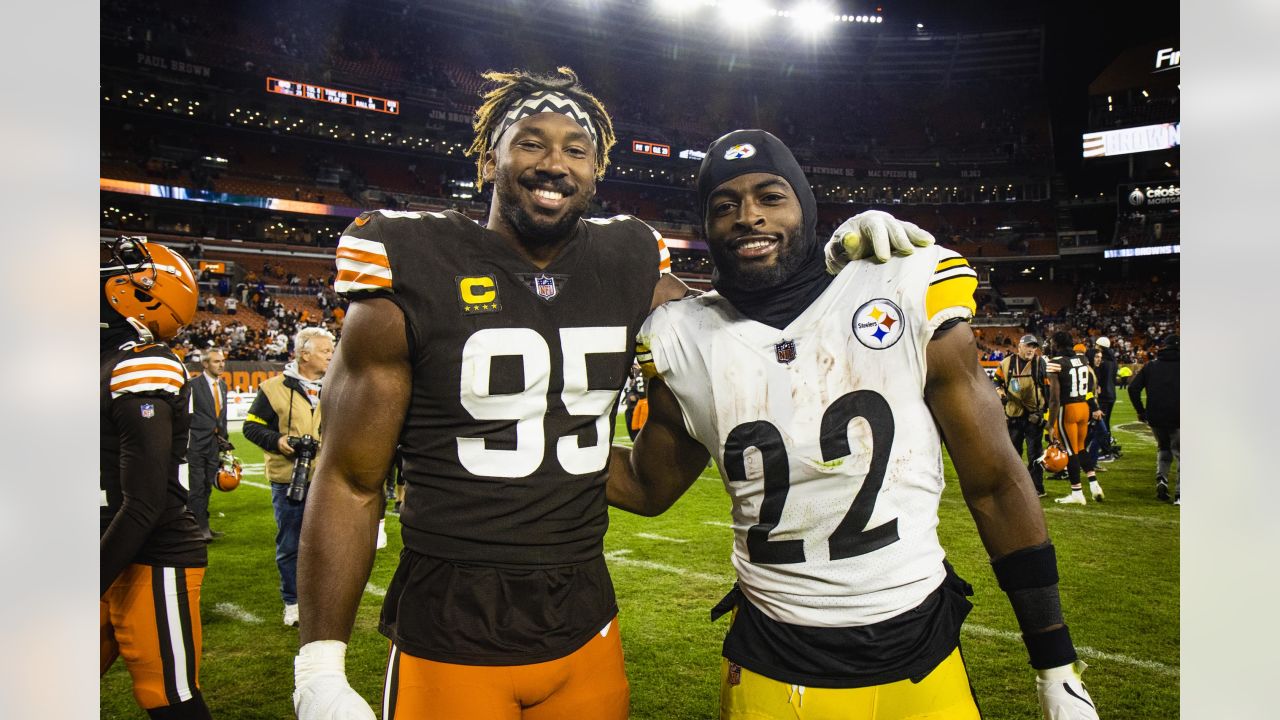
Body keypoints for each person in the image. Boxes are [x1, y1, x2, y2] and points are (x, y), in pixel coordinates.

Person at [289, 68, 934, 720]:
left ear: (597, 171)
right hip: (450, 627)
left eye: (576, 148)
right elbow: (347, 479)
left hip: (586, 621)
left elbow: (737, 334)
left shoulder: (626, 259)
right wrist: (319, 665)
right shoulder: (414, 257)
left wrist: (827, 269)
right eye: (531, 142)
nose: (554, 163)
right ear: (488, 157)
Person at [608, 129, 1099, 720]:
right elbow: (645, 486)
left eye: (771, 196)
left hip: (920, 646)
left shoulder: (902, 285)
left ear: (806, 207)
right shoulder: (682, 337)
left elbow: (996, 483)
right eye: (724, 206)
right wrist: (517, 436)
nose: (747, 217)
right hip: (774, 656)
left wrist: (1055, 664)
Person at [100, 237, 213, 719]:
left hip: (152, 555)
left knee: (168, 699)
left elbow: (143, 502)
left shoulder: (141, 362)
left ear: (142, 292)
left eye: (109, 269)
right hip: (105, 545)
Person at [242, 326, 334, 627]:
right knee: (291, 544)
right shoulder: (271, 388)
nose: (331, 356)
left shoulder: (337, 385)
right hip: (287, 478)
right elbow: (251, 427)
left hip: (327, 479)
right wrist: (278, 442)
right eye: (325, 351)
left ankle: (321, 599)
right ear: (304, 354)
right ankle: (292, 602)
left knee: (326, 544)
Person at [1047, 333, 1105, 505]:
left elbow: (1054, 398)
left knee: (1070, 451)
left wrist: (1050, 424)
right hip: (1083, 408)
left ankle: (1077, 492)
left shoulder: (1056, 362)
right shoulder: (1083, 359)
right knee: (1080, 448)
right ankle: (1094, 485)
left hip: (1068, 409)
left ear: (1057, 344)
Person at [994, 334, 1050, 496]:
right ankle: (1012, 485)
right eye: (1028, 346)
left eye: (1034, 347)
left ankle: (1037, 487)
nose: (1032, 350)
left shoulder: (1040, 363)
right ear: (1020, 347)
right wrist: (999, 390)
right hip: (1013, 417)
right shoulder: (1006, 363)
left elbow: (1048, 390)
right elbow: (996, 380)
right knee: (1013, 453)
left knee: (1035, 453)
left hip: (1034, 417)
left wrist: (1044, 413)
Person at [1128, 335, 1180, 503]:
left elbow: (1133, 388)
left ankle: (1162, 480)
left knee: (1163, 449)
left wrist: (1141, 411)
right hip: (1180, 416)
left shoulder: (1151, 366)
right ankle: (1180, 494)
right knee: (1180, 454)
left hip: (1155, 416)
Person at [187, 347, 230, 541]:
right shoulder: (192, 385)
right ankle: (198, 529)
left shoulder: (222, 386)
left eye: (222, 361)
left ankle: (204, 526)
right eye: (216, 361)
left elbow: (222, 417)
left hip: (214, 444)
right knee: (196, 487)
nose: (221, 364)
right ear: (205, 364)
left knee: (207, 486)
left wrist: (225, 442)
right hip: (195, 444)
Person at [1092, 337, 1119, 458]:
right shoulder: (1113, 360)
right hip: (1111, 394)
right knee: (1106, 423)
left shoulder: (1102, 362)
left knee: (1101, 424)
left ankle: (1105, 449)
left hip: (1103, 396)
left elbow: (1099, 380)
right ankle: (1107, 446)